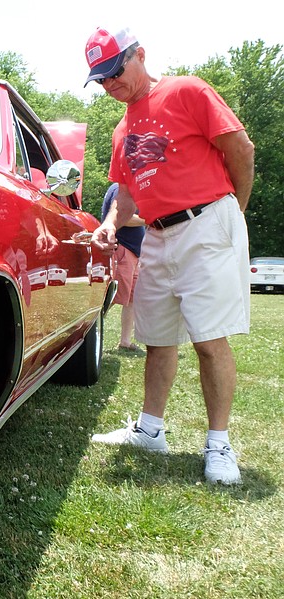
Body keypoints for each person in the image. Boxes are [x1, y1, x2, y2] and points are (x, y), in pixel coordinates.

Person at [84, 26, 255, 485]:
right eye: (99, 80)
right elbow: (126, 192)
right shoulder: (122, 128)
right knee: (158, 339)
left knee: (208, 338)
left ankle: (218, 443)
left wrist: (233, 210)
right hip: (157, 235)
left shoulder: (186, 89)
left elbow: (240, 146)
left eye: (114, 71)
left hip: (206, 224)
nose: (109, 85)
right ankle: (151, 430)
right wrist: (107, 224)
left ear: (139, 54)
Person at [101, 181, 145, 352]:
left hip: (133, 253)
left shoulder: (131, 190)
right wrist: (148, 219)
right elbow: (121, 218)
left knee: (131, 299)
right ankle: (87, 333)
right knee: (111, 298)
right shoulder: (121, 189)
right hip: (122, 250)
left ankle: (125, 341)